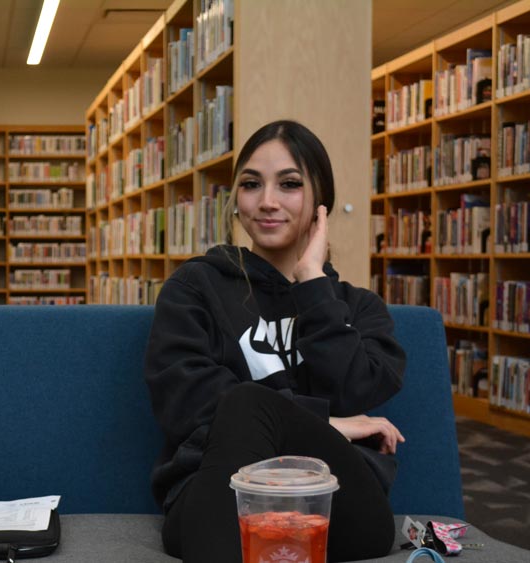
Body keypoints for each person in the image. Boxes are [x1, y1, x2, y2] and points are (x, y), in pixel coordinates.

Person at [144, 120, 407, 563]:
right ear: (235, 199)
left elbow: (359, 389)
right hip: (218, 499)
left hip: (335, 506)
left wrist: (313, 284)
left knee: (248, 400)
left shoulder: (356, 307)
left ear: (321, 200)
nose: (267, 201)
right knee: (245, 403)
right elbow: (185, 401)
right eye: (251, 184)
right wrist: (327, 422)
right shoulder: (196, 288)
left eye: (289, 184)